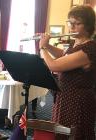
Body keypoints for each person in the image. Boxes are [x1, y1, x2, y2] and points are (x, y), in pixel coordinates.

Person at [38, 5, 96, 140]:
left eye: (77, 23)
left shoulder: (90, 49)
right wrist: (47, 45)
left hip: (77, 101)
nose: (72, 27)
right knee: (61, 132)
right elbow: (63, 55)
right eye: (70, 22)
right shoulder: (77, 43)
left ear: (88, 26)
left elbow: (54, 65)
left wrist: (42, 48)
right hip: (65, 96)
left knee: (74, 134)